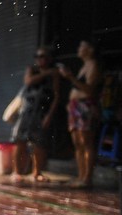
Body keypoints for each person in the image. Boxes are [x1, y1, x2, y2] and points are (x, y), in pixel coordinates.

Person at [11, 47, 61, 182]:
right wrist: (47, 73)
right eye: (37, 57)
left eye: (43, 57)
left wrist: (49, 115)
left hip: (42, 111)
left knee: (40, 143)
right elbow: (28, 81)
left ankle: (37, 172)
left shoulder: (54, 74)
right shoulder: (32, 69)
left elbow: (57, 96)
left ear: (49, 59)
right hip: (27, 110)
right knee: (20, 140)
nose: (40, 60)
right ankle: (17, 171)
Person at [58, 40, 102, 189]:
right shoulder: (83, 66)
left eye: (82, 46)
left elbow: (89, 90)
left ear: (90, 49)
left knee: (87, 142)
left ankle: (87, 178)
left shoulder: (94, 65)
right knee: (77, 143)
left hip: (86, 106)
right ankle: (81, 176)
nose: (79, 48)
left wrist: (70, 77)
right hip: (75, 107)